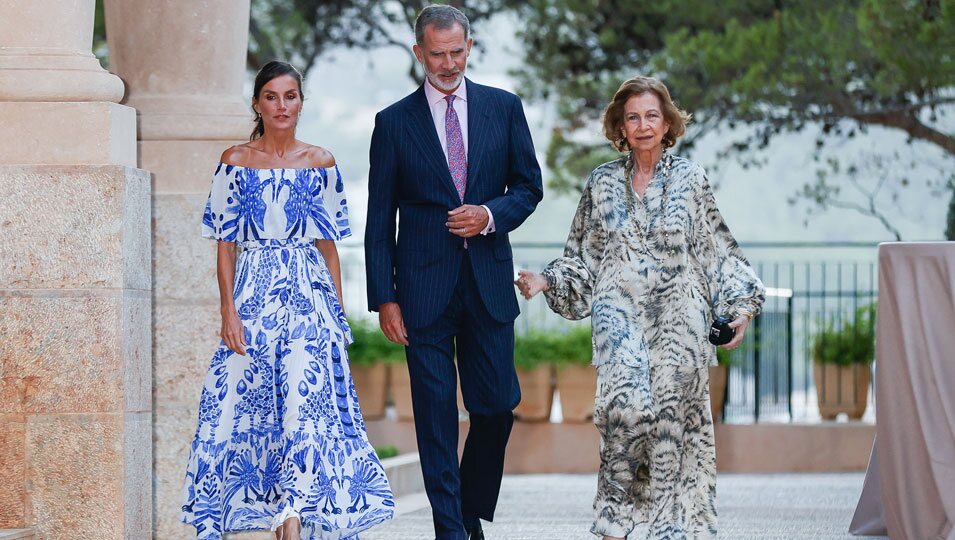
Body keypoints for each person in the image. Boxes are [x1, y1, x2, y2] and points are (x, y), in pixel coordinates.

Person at [516, 76, 765, 540]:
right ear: (621, 126)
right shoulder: (602, 182)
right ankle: (617, 523)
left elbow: (718, 251)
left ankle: (672, 531)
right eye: (633, 117)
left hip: (680, 320)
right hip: (618, 316)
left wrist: (741, 308)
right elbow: (582, 256)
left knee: (672, 427)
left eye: (652, 115)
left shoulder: (690, 179)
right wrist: (547, 279)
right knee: (625, 413)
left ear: (667, 122)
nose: (643, 125)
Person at [180, 61, 394, 540]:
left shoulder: (321, 162)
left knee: (303, 411)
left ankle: (293, 522)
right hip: (253, 299)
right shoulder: (234, 160)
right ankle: (276, 516)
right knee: (243, 408)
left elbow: (329, 247)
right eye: (272, 97)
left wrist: (337, 314)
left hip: (308, 301)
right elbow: (225, 243)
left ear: (302, 101)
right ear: (257, 103)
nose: (282, 106)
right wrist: (227, 312)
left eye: (291, 96)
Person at [364, 5, 543, 539]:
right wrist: (385, 298)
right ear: (418, 52)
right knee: (436, 417)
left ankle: (466, 511)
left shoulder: (503, 108)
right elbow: (379, 219)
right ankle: (451, 530)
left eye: (457, 52)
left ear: (471, 46)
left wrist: (489, 215)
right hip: (422, 292)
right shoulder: (393, 123)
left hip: (489, 285)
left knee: (496, 408)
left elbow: (529, 187)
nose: (448, 64)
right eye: (437, 54)